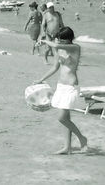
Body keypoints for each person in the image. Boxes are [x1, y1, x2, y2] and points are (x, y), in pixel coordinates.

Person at [34, 27, 88, 155]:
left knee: (62, 118)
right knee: (66, 119)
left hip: (71, 86)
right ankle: (67, 147)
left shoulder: (75, 48)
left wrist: (44, 41)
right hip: (61, 87)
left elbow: (56, 44)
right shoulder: (59, 49)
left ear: (68, 39)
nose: (60, 42)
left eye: (62, 39)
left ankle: (82, 138)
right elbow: (54, 68)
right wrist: (40, 79)